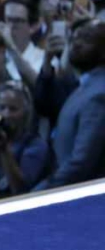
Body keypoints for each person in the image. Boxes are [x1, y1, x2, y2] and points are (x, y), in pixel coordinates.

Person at [35, 21, 105, 190]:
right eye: (74, 38)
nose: (76, 43)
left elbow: (81, 162)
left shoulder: (99, 94)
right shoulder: (83, 86)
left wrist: (44, 190)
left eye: (86, 39)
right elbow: (44, 102)